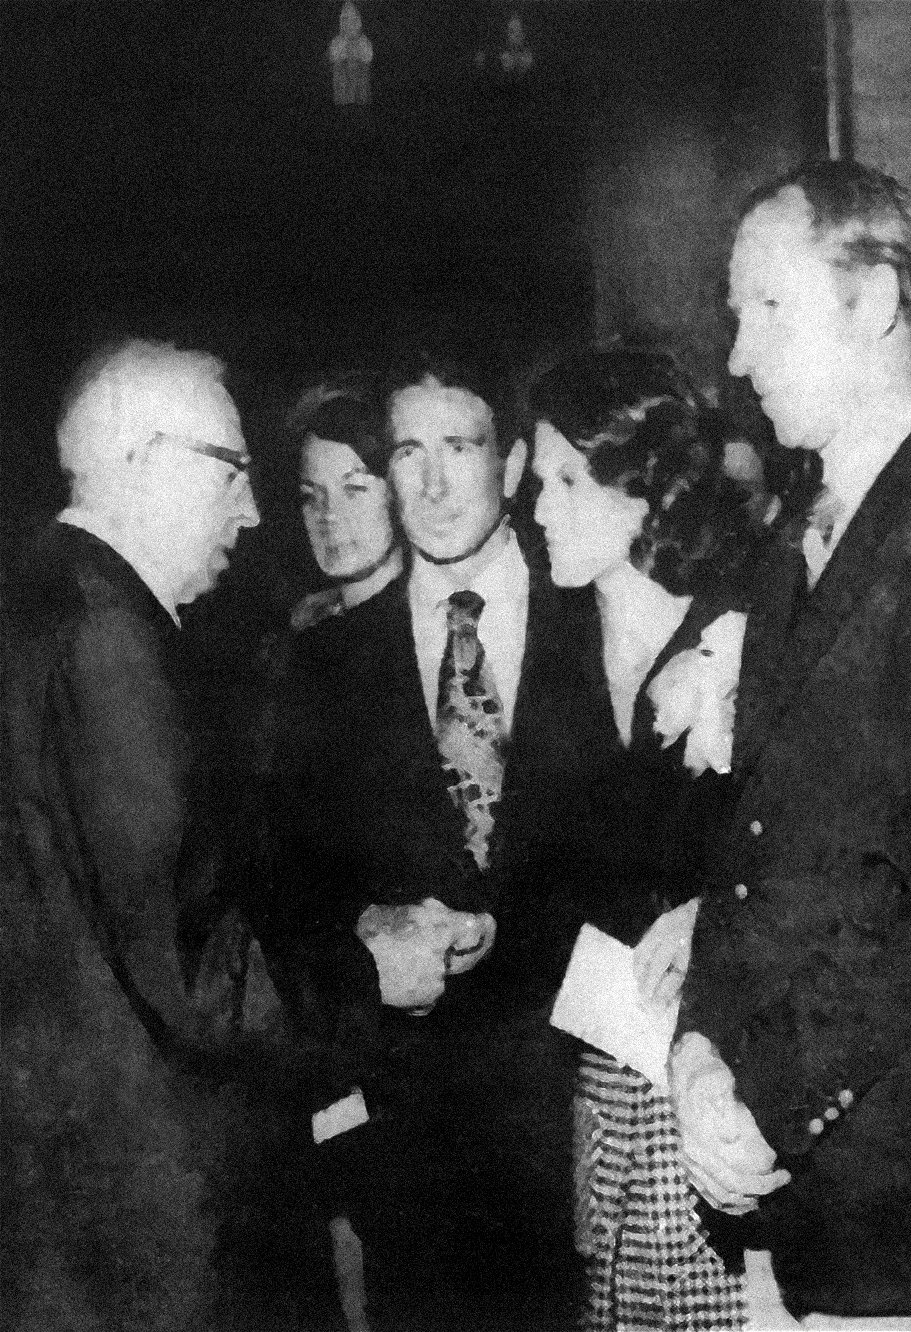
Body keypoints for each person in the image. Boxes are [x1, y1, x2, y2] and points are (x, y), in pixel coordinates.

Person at [669, 158, 911, 1323]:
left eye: (768, 309)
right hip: (774, 1166)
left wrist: (761, 1091)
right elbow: (754, 847)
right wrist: (701, 1052)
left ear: (872, 303)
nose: (740, 357)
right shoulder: (791, 538)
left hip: (887, 1182)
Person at [265, 353, 581, 1330]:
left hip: (588, 1132)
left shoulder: (597, 618)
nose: (434, 483)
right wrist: (367, 923)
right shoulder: (320, 669)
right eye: (409, 452)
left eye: (461, 446)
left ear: (516, 462)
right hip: (412, 1163)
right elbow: (282, 895)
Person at [2, 339, 272, 1331]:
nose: (252, 511)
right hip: (139, 1213)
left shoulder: (32, 596)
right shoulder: (110, 636)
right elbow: (188, 972)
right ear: (142, 457)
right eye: (234, 471)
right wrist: (370, 974)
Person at [525, 348, 776, 1330]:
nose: (536, 507)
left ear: (645, 495)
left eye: (565, 481)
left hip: (718, 1083)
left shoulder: (743, 630)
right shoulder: (550, 655)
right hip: (601, 1078)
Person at [290, 377, 404, 629]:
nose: (328, 514)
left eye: (353, 489)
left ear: (394, 494)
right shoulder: (312, 619)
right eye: (310, 496)